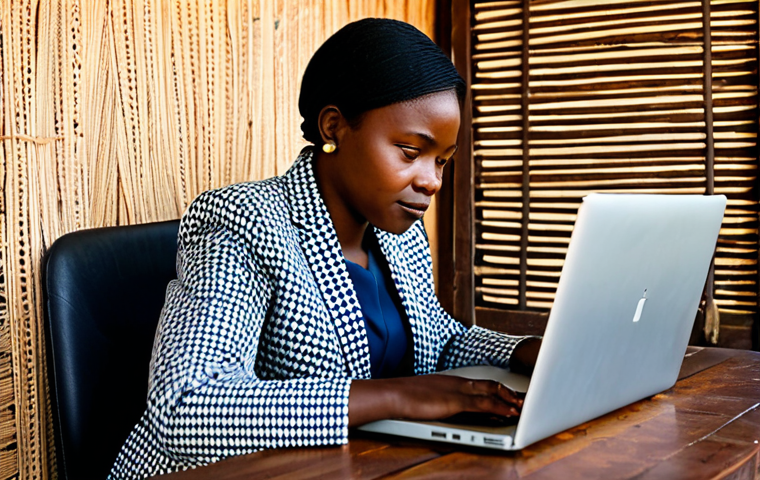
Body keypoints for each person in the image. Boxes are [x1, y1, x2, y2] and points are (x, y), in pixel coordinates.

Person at [109, 18, 540, 480]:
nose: (431, 181)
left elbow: (439, 342)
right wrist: (401, 396)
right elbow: (185, 406)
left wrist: (528, 353)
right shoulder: (244, 220)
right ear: (334, 126)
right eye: (410, 152)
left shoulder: (401, 233)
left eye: (442, 161)